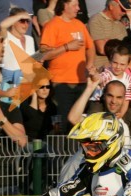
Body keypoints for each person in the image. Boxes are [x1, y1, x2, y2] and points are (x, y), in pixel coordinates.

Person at [41, 0, 97, 133]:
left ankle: (77, 146)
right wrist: (67, 47)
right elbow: (43, 54)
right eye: (74, 5)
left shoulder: (79, 25)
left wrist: (89, 65)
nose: (78, 8)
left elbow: (90, 47)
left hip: (81, 82)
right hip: (60, 83)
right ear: (64, 5)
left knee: (79, 123)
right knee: (63, 122)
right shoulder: (52, 25)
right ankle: (62, 146)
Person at [88, 0, 131, 68]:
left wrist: (109, 43)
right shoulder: (96, 20)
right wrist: (120, 46)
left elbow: (126, 49)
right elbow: (102, 49)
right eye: (122, 9)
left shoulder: (120, 25)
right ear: (111, 6)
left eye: (125, 10)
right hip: (100, 69)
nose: (124, 13)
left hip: (118, 69)